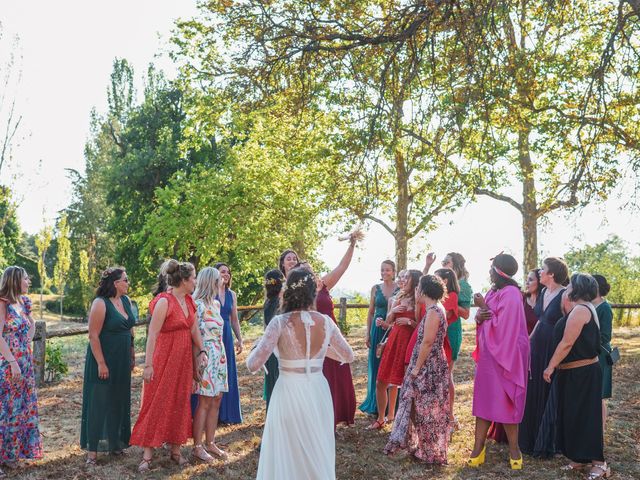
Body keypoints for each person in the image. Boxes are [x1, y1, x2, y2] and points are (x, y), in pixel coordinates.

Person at [246, 267, 355, 479]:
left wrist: (261, 344)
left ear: (287, 291)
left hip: (288, 390)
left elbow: (253, 364)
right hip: (317, 390)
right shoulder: (325, 322)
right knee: (316, 446)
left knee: (287, 448)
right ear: (313, 292)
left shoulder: (279, 322)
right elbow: (348, 355)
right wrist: (321, 352)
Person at [131, 260, 208, 472]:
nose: (195, 282)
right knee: (157, 401)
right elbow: (152, 334)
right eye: (193, 278)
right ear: (183, 280)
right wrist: (148, 365)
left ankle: (176, 450)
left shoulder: (190, 302)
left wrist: (201, 351)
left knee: (180, 402)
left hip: (183, 360)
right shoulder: (164, 301)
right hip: (163, 358)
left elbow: (194, 331)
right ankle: (147, 454)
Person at [543, 274, 610, 479]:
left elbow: (567, 343)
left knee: (587, 417)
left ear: (578, 288)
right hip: (574, 372)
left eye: (571, 284)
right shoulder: (581, 307)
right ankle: (579, 459)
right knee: (574, 416)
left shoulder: (582, 310)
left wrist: (550, 367)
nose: (567, 286)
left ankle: (600, 464)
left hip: (582, 373)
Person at [467, 253, 529, 471]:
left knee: (506, 403)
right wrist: (480, 314)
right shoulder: (494, 291)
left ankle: (514, 449)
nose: (489, 272)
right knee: (483, 401)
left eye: (492, 268)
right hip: (488, 357)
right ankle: (478, 447)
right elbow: (486, 318)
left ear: (499, 271)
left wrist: (483, 305)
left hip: (506, 356)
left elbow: (506, 327)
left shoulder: (512, 294)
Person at [384, 274, 450, 464]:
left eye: (418, 287)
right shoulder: (434, 309)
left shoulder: (433, 312)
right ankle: (422, 445)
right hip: (428, 363)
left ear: (424, 290)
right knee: (415, 404)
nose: (415, 290)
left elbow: (428, 343)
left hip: (428, 366)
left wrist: (416, 369)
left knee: (424, 407)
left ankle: (429, 449)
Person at [298, 233, 360, 427]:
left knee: (336, 376)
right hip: (313, 338)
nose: (307, 272)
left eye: (309, 269)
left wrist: (352, 244)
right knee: (319, 377)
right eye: (302, 270)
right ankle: (316, 420)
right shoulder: (298, 293)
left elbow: (342, 266)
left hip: (332, 335)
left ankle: (333, 419)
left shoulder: (324, 284)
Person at [81, 267, 137, 464]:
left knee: (118, 400)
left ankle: (116, 443)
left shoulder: (126, 301)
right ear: (115, 283)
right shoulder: (100, 303)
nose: (128, 283)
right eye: (126, 280)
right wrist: (101, 363)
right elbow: (93, 335)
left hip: (122, 359)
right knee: (99, 402)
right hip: (103, 359)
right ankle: (92, 451)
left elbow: (130, 329)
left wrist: (132, 352)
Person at [519, 257, 569, 455]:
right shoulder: (544, 292)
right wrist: (528, 341)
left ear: (552, 274)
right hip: (537, 346)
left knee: (548, 391)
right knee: (534, 389)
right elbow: (540, 320)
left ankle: (549, 441)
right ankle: (530, 439)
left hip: (552, 346)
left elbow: (569, 322)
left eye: (544, 269)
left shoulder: (565, 294)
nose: (540, 272)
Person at [488, 268, 541, 444]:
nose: (527, 282)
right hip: (510, 345)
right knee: (504, 390)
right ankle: (501, 432)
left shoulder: (542, 302)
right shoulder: (520, 298)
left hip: (531, 348)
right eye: (526, 279)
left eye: (531, 279)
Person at [0, 266, 42, 477]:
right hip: (7, 364)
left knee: (19, 409)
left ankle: (10, 455)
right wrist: (12, 361)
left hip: (24, 362)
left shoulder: (24, 303)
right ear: (15, 280)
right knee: (5, 409)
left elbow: (31, 325)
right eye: (26, 279)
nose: (28, 282)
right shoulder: (3, 303)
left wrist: (27, 339)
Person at [370, 270, 421, 429]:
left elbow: (421, 325)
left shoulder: (419, 299)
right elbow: (388, 321)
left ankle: (410, 424)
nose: (404, 280)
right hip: (394, 340)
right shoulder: (398, 297)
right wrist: (392, 311)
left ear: (414, 281)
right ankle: (381, 418)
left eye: (407, 278)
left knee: (407, 384)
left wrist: (409, 322)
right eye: (403, 277)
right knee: (381, 381)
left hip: (408, 343)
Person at [192, 267, 228, 462]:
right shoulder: (196, 305)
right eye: (218, 279)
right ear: (211, 282)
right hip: (205, 356)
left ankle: (211, 442)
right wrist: (196, 360)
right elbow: (194, 335)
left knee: (217, 399)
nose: (222, 281)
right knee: (204, 401)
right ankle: (197, 446)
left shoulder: (216, 304)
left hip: (220, 355)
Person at [359, 260, 398, 416]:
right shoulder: (375, 289)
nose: (384, 273)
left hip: (392, 330)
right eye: (382, 270)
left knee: (391, 365)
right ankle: (376, 404)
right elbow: (370, 312)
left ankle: (393, 406)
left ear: (394, 271)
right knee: (377, 364)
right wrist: (368, 333)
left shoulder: (400, 288)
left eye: (387, 270)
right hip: (377, 329)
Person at [214, 262, 244, 424]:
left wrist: (239, 338)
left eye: (228, 272)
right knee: (214, 371)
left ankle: (228, 413)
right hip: (213, 336)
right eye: (222, 271)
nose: (226, 274)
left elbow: (234, 319)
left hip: (227, 335)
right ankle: (214, 414)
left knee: (228, 372)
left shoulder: (232, 294)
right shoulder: (210, 292)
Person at [592, 274, 613, 428]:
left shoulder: (605, 308)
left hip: (601, 354)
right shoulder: (590, 305)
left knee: (599, 396)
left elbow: (605, 335)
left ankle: (600, 430)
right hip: (591, 353)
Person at [263, 269, 285, 409]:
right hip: (279, 348)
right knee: (278, 381)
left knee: (272, 381)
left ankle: (271, 411)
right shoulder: (280, 302)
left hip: (269, 347)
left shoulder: (267, 302)